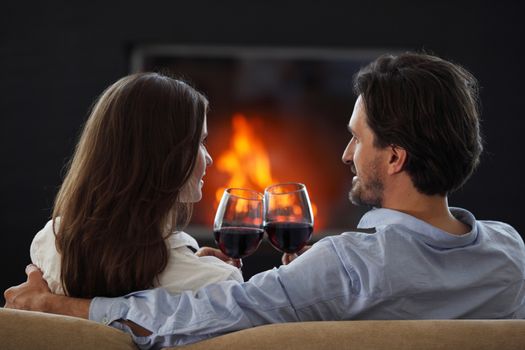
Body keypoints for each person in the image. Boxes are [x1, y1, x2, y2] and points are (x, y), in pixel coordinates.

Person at [5, 52, 525, 350]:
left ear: (393, 158)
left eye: (357, 138)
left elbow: (196, 316)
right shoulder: (511, 255)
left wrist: (57, 307)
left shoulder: (348, 267)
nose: (346, 154)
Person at [26, 72, 243, 298]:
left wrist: (191, 260)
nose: (208, 158)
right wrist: (198, 267)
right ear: (161, 157)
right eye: (199, 142)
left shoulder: (50, 242)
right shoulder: (218, 283)